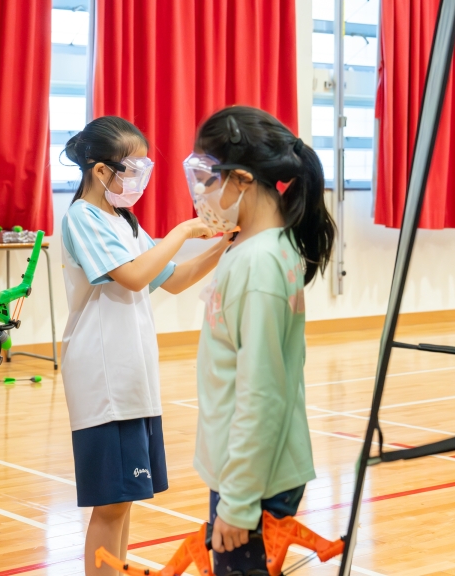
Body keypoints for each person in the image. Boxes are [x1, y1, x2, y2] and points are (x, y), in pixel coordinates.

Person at [60, 116, 233, 575]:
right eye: (132, 169)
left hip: (132, 376)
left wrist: (224, 245)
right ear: (101, 171)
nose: (140, 180)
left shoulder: (125, 222)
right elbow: (134, 276)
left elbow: (173, 279)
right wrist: (182, 232)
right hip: (103, 379)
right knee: (111, 504)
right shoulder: (83, 217)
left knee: (125, 500)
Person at [185, 106, 335, 575]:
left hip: (255, 481)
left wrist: (238, 501)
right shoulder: (254, 248)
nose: (201, 191)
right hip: (248, 471)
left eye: (210, 178)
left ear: (243, 180)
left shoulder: (259, 264)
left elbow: (262, 392)